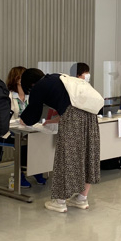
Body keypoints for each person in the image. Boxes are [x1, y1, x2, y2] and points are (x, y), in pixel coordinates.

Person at [20, 68, 100, 213]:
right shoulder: (59, 78)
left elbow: (33, 114)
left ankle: (60, 201)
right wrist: (55, 120)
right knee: (88, 154)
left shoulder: (39, 86)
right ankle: (82, 199)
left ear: (30, 83)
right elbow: (71, 104)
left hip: (73, 117)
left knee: (66, 156)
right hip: (91, 114)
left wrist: (23, 120)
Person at [4, 66, 46, 188]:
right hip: (12, 130)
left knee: (41, 138)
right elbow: (6, 118)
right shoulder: (9, 96)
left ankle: (37, 170)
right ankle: (20, 173)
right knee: (25, 142)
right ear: (17, 79)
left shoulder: (31, 95)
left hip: (29, 128)